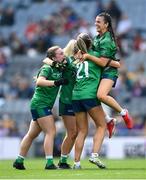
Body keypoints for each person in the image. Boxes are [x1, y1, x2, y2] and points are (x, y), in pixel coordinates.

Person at [43, 39, 120, 169]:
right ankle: (72, 159)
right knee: (78, 131)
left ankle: (74, 162)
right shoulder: (73, 60)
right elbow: (46, 60)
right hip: (72, 98)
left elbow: (47, 60)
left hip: (75, 97)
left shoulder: (73, 61)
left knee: (79, 132)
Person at [13, 46, 68, 170]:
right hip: (40, 104)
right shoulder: (47, 68)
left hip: (41, 104)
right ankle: (49, 163)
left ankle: (19, 160)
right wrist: (56, 82)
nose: (63, 55)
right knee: (51, 131)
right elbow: (39, 81)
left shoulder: (57, 67)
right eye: (60, 53)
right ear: (53, 57)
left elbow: (67, 59)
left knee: (31, 134)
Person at [82, 12, 133, 130]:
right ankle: (108, 120)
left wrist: (89, 56)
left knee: (100, 95)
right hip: (100, 72)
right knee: (90, 96)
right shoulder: (97, 38)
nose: (96, 24)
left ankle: (123, 113)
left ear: (106, 24)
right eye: (95, 21)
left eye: (98, 22)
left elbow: (102, 62)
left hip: (109, 72)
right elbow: (97, 56)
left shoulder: (107, 40)